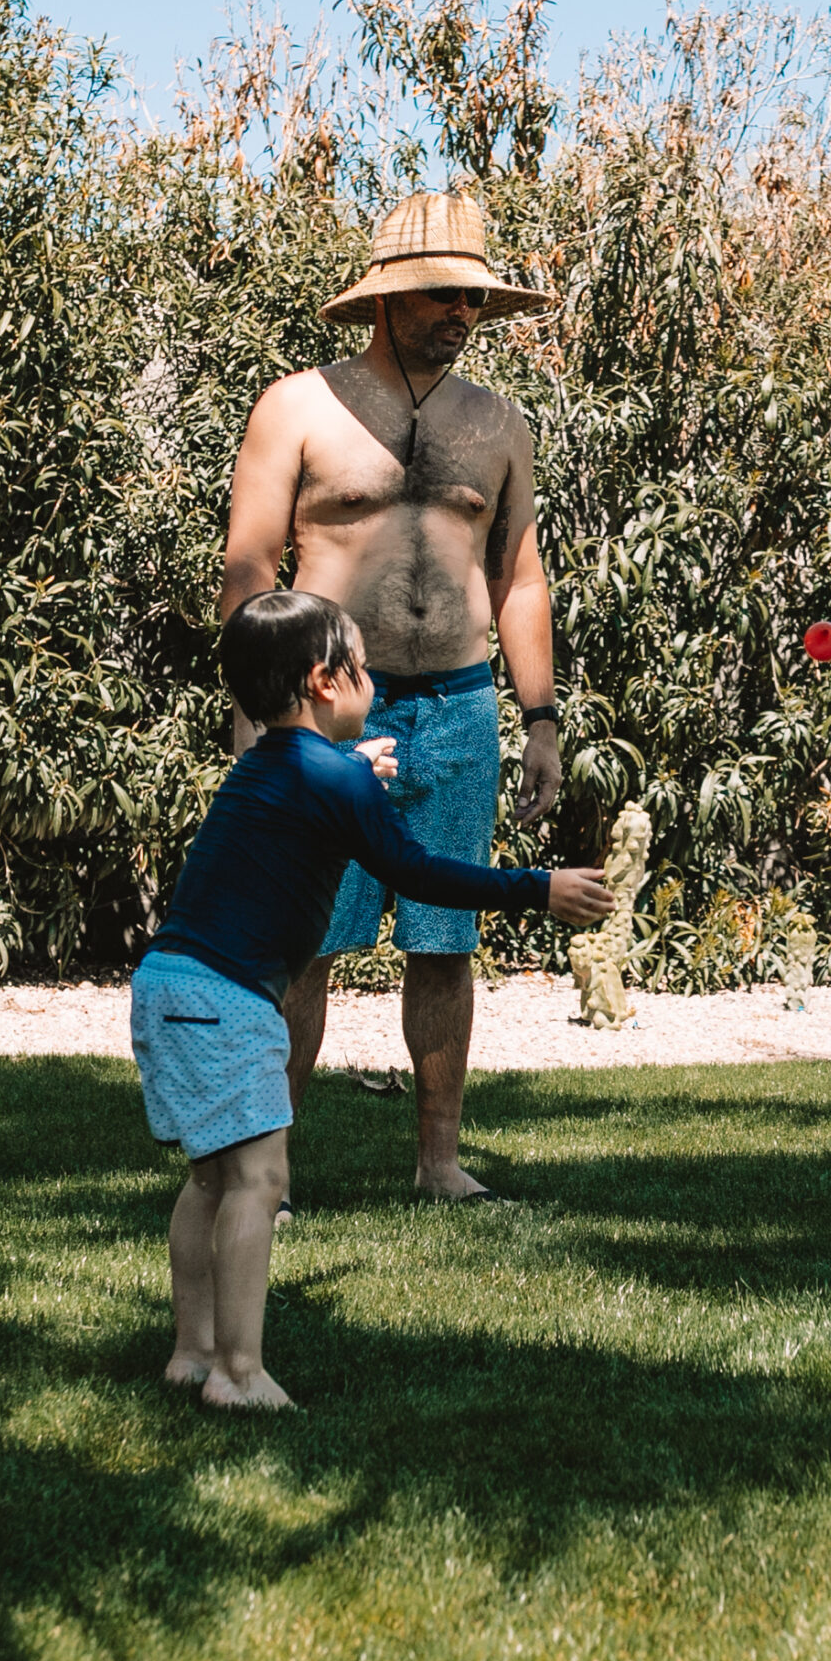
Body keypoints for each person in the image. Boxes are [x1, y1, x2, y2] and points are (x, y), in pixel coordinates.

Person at [131, 589, 612, 1409]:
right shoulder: (335, 781)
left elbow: (308, 788)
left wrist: (355, 772)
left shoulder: (271, 765)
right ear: (325, 681)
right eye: (362, 670)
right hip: (229, 1001)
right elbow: (417, 872)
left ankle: (192, 1351)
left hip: (167, 987)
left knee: (209, 1179)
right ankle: (240, 1375)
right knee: (257, 1179)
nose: (370, 685)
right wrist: (539, 887)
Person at [221, 190, 562, 1203]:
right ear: (385, 300)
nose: (460, 312)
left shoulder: (499, 424)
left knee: (443, 939)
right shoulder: (297, 406)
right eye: (441, 295)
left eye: (472, 296)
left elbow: (520, 576)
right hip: (322, 714)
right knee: (307, 939)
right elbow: (248, 568)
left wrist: (539, 721)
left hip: (458, 706)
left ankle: (439, 1159)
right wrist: (254, 717)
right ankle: (266, 1166)